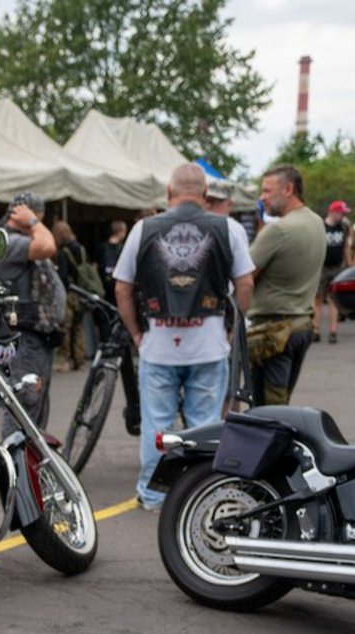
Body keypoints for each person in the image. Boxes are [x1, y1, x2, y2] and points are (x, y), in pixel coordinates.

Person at [114, 163, 254, 511]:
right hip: (208, 341)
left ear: (168, 194)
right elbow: (246, 282)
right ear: (206, 196)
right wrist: (231, 325)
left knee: (157, 425)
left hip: (158, 342)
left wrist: (135, 333)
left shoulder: (143, 228)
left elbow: (122, 287)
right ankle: (202, 492)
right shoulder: (229, 228)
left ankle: (153, 494)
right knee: (205, 423)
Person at [247, 164, 326, 405]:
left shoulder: (279, 230)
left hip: (273, 332)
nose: (262, 197)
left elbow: (245, 276)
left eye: (268, 191)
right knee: (283, 403)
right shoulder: (316, 222)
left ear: (289, 189)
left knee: (268, 410)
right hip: (302, 325)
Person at [0, 192, 58, 430]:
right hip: (24, 335)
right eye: (38, 216)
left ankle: (29, 461)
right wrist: (33, 222)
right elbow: (48, 245)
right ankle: (17, 462)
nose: (40, 223)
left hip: (33, 336)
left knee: (34, 404)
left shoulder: (16, 239)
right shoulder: (8, 240)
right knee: (25, 403)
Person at [313, 201, 352, 344]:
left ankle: (333, 330)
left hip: (336, 266)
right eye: (341, 212)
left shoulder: (343, 227)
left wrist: (349, 264)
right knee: (317, 299)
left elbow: (346, 246)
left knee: (333, 300)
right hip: (321, 267)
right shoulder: (321, 226)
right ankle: (316, 330)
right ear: (333, 212)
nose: (343, 216)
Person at [53, 218, 88, 370]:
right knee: (78, 327)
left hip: (69, 293)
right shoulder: (80, 248)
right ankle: (80, 359)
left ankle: (64, 360)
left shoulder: (63, 252)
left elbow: (63, 275)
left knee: (65, 326)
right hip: (81, 291)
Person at [100, 220, 128, 301]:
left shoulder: (102, 247)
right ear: (121, 231)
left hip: (104, 285)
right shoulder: (123, 249)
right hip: (119, 285)